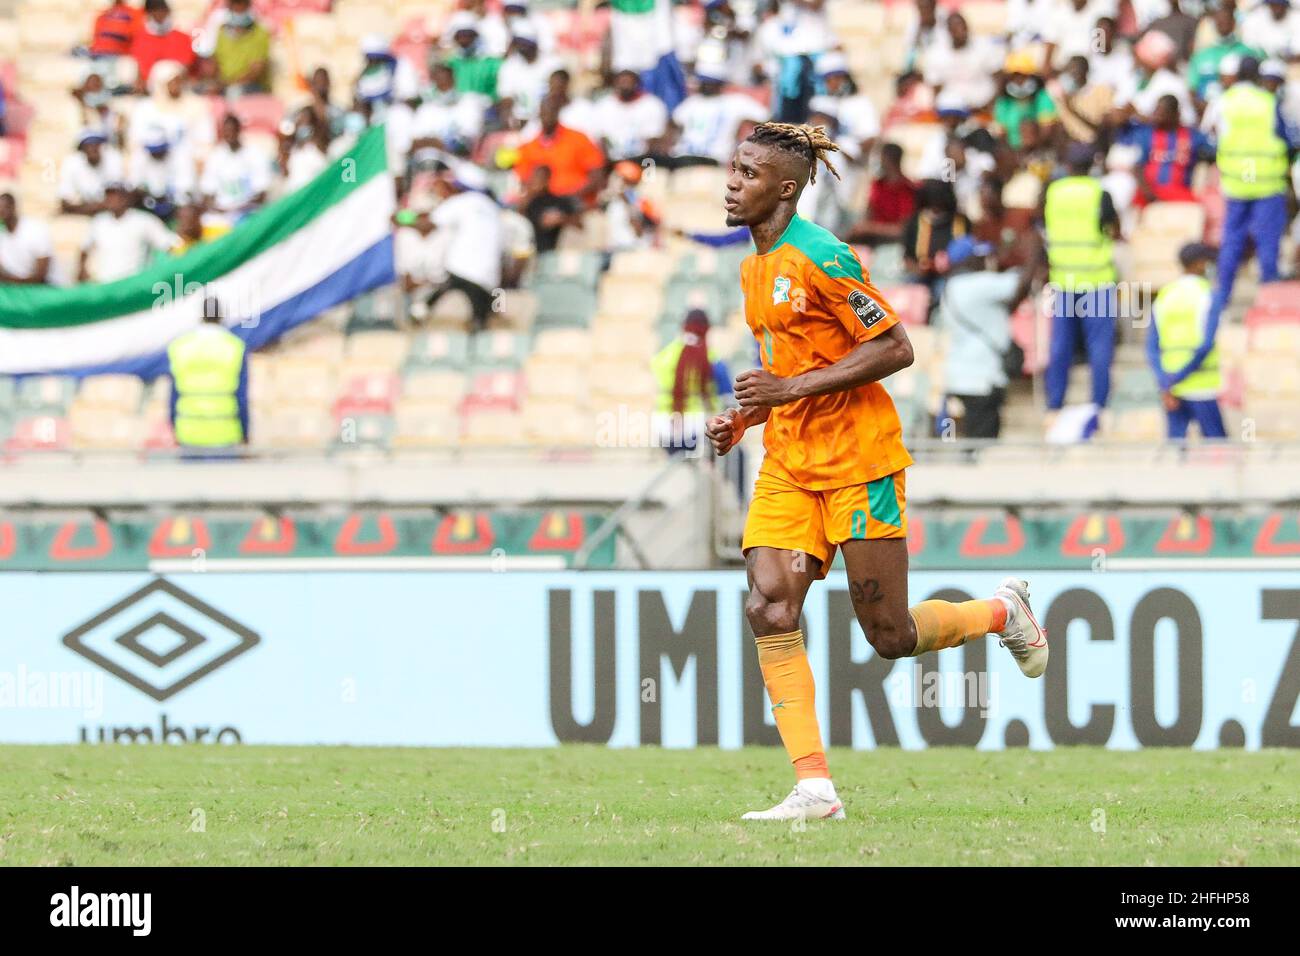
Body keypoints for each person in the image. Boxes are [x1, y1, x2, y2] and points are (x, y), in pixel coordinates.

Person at [705, 121, 1048, 822]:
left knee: (888, 636)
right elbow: (789, 371)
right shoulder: (752, 267)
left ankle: (1002, 613)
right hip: (789, 463)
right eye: (734, 170)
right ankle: (814, 789)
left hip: (859, 460)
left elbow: (896, 348)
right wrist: (747, 418)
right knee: (768, 605)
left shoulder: (825, 255)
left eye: (747, 173)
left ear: (786, 187)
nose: (732, 184)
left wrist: (786, 393)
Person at [1042, 142, 1120, 420]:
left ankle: (1054, 405)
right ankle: (1099, 406)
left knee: (1060, 347)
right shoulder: (1100, 192)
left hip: (1063, 279)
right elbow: (1113, 226)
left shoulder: (1053, 191)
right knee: (1099, 349)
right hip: (1096, 280)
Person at [1211, 56, 1296, 309]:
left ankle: (1222, 296)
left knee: (1232, 241)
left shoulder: (1223, 102)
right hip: (1267, 183)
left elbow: (1214, 138)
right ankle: (1269, 301)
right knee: (1267, 241)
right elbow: (1288, 139)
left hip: (1236, 182)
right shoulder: (1268, 102)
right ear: (1258, 75)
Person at [936, 236, 1033, 439]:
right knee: (982, 448)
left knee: (967, 447)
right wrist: (1035, 251)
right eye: (980, 256)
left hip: (958, 377)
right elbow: (1021, 280)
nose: (985, 261)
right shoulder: (976, 284)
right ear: (968, 260)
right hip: (982, 380)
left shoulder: (950, 288)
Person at [1147, 242, 1227, 440]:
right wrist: (1179, 377)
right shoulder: (1208, 294)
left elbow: (1151, 347)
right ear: (1200, 264)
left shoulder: (1165, 295)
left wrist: (1166, 383)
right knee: (1218, 449)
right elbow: (1205, 345)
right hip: (1201, 386)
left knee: (1176, 452)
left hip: (1171, 388)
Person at [423, 164, 502, 332]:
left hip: (463, 269)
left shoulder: (463, 202)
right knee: (481, 319)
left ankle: (419, 313)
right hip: (489, 275)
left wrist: (402, 219)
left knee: (438, 298)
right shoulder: (492, 207)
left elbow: (428, 224)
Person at [167, 297, 250, 451]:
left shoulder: (180, 347)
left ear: (201, 316)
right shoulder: (235, 347)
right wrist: (246, 434)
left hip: (188, 432)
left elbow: (173, 396)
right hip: (225, 432)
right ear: (221, 316)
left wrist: (174, 428)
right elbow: (242, 397)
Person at [651, 309, 733, 454]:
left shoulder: (664, 355)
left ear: (683, 327)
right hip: (696, 427)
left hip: (665, 425)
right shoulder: (712, 358)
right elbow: (726, 392)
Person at [79, 181, 178, 282]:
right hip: (106, 285)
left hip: (134, 286)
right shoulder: (99, 222)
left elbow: (169, 244)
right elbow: (84, 249)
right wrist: (82, 269)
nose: (111, 200)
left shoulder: (144, 220)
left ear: (125, 198)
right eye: (108, 196)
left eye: (115, 195)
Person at [513, 95, 605, 201]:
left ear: (557, 113)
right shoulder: (529, 147)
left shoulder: (578, 139)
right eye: (544, 112)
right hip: (542, 205)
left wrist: (571, 197)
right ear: (539, 114)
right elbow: (524, 180)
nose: (548, 116)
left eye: (551, 111)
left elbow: (597, 174)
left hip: (577, 204)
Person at [209, 0, 271, 95]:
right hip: (225, 85)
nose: (238, 11)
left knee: (234, 92)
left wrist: (231, 84)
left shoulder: (260, 33)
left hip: (251, 87)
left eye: (241, 8)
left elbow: (256, 71)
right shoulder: (221, 31)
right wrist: (215, 83)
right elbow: (215, 62)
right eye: (235, 8)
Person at [130, 0, 196, 89]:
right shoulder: (139, 38)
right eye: (155, 11)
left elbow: (187, 67)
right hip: (149, 90)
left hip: (177, 89)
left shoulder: (182, 38)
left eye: (162, 11)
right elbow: (139, 69)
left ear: (168, 12)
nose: (159, 15)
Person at [59, 129, 125, 216]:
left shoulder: (113, 158)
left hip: (107, 217)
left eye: (96, 144)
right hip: (85, 214)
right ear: (81, 149)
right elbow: (65, 203)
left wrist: (79, 208)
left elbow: (118, 202)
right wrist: (98, 207)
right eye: (88, 145)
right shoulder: (72, 162)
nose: (92, 148)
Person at [0, 193, 60, 286]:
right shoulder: (2, 233)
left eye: (4, 208)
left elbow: (41, 276)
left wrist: (8, 280)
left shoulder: (36, 229)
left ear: (13, 207)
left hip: (45, 286)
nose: (1, 211)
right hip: (16, 286)